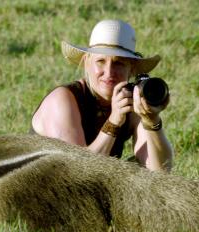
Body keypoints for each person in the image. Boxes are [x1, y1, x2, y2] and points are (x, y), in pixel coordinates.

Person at [31, 19, 173, 172]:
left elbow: (160, 171)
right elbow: (77, 172)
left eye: (119, 63)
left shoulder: (131, 101)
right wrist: (114, 122)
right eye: (100, 61)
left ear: (131, 69)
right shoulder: (63, 100)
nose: (109, 72)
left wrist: (151, 121)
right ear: (87, 62)